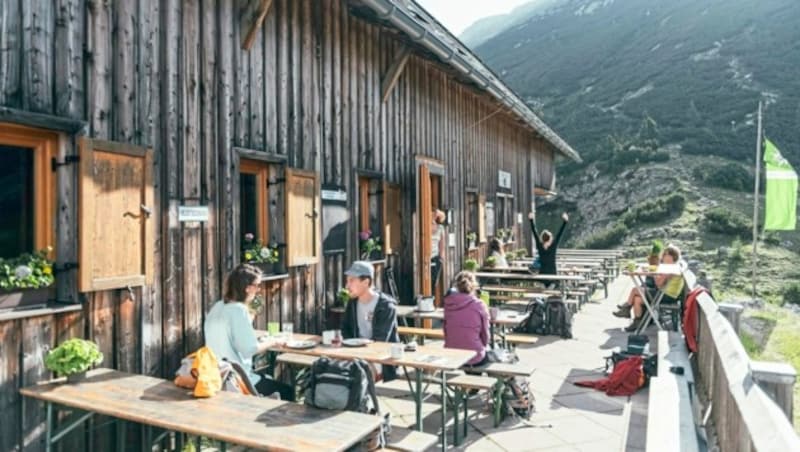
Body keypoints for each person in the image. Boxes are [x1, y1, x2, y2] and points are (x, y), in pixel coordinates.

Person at [204, 263, 294, 400]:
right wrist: (274, 341)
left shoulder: (218, 307)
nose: (258, 290)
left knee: (266, 378)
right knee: (287, 391)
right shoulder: (239, 310)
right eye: (257, 285)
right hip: (234, 379)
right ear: (247, 288)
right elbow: (248, 349)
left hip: (214, 373)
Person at [341, 260, 400, 381]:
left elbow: (380, 341)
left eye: (351, 280)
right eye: (347, 281)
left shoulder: (386, 306)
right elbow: (345, 328)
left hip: (381, 357)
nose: (347, 286)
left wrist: (357, 354)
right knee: (330, 367)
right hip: (355, 353)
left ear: (366, 282)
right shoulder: (352, 302)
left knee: (358, 375)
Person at [614, 244, 684, 332]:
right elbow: (660, 283)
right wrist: (656, 272)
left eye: (666, 254)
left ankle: (626, 308)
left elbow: (658, 284)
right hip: (664, 294)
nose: (663, 256)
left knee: (635, 290)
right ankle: (636, 322)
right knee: (637, 299)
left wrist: (654, 273)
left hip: (667, 296)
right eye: (664, 254)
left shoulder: (670, 268)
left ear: (672, 256)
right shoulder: (671, 266)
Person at [443, 271, 490, 367]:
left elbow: (446, 331)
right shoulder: (479, 305)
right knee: (491, 357)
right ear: (474, 286)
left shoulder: (448, 303)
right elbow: (485, 335)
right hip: (474, 355)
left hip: (451, 353)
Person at [528, 211, 569, 287]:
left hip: (542, 277)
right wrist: (565, 222)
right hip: (553, 277)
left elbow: (534, 232)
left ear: (542, 239)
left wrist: (531, 220)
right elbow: (560, 234)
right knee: (551, 292)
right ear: (550, 239)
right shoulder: (553, 247)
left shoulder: (540, 247)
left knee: (543, 293)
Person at [430, 209, 447, 291]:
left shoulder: (440, 228)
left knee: (434, 282)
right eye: (432, 214)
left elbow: (442, 244)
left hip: (435, 257)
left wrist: (441, 259)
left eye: (435, 215)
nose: (433, 216)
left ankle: (431, 300)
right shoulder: (424, 225)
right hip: (426, 257)